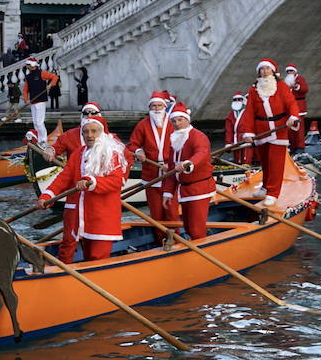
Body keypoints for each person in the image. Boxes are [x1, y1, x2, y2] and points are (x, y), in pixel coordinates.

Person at [38, 114, 128, 263]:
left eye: (94, 131)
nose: (89, 135)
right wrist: (47, 196)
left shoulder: (112, 154)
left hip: (101, 214)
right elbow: (64, 178)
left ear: (102, 133)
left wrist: (91, 181)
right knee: (78, 252)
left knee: (97, 258)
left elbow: (117, 181)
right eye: (86, 132)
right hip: (80, 213)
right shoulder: (79, 153)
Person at [242, 59, 300, 206]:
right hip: (261, 129)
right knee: (265, 162)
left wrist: (293, 116)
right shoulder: (254, 90)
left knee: (276, 163)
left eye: (267, 69)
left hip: (278, 129)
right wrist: (248, 132)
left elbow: (291, 103)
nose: (265, 71)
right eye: (262, 69)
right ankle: (265, 186)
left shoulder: (281, 86)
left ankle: (273, 193)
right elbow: (249, 112)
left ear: (273, 70)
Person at [127, 90, 179, 235]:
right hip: (151, 173)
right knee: (156, 214)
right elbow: (132, 144)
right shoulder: (142, 125)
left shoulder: (173, 122)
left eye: (159, 106)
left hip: (171, 172)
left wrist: (175, 163)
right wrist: (138, 151)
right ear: (149, 108)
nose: (156, 109)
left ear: (165, 107)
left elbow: (184, 144)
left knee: (172, 211)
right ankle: (159, 240)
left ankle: (176, 238)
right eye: (153, 106)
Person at [162, 103, 215, 241]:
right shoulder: (175, 139)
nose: (177, 123)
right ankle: (194, 243)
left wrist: (188, 163)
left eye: (180, 120)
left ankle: (200, 248)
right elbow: (172, 169)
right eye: (174, 121)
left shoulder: (198, 136)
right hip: (184, 190)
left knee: (197, 228)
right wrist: (168, 192)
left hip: (199, 188)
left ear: (187, 119)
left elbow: (201, 154)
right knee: (188, 225)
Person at [22, 57, 58, 140]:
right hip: (32, 101)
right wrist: (26, 99)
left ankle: (43, 140)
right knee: (35, 123)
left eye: (28, 65)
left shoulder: (42, 73)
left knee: (39, 122)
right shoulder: (28, 76)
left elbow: (54, 77)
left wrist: (50, 85)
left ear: (32, 65)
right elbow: (25, 89)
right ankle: (38, 139)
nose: (27, 66)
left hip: (41, 101)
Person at [223, 92, 256, 165]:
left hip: (247, 139)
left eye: (239, 99)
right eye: (235, 99)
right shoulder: (230, 115)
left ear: (243, 101)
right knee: (237, 160)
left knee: (246, 160)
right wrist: (228, 143)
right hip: (236, 141)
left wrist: (252, 137)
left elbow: (254, 125)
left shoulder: (248, 112)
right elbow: (229, 131)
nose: (237, 101)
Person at [283, 64, 309, 149]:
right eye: (288, 71)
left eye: (291, 71)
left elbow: (305, 89)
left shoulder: (300, 79)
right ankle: (292, 145)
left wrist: (296, 86)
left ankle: (300, 146)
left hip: (299, 107)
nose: (290, 73)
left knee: (299, 128)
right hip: (289, 108)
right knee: (290, 128)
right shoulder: (286, 81)